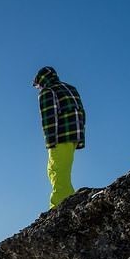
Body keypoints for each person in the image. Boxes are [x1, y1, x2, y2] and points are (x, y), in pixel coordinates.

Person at [33, 66, 85, 209]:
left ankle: (58, 206)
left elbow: (49, 117)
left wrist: (50, 142)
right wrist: (80, 139)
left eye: (37, 85)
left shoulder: (47, 92)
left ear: (41, 81)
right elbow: (82, 112)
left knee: (57, 170)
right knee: (55, 168)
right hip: (74, 135)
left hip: (60, 136)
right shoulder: (71, 88)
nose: (37, 88)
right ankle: (66, 199)